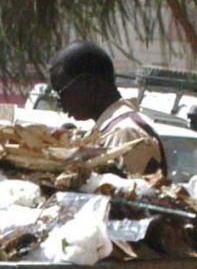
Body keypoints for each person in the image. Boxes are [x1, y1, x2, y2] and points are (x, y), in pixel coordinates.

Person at [45, 41, 165, 180]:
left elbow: (129, 195)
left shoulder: (126, 133)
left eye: (62, 92)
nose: (60, 102)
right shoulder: (107, 130)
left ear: (91, 84)